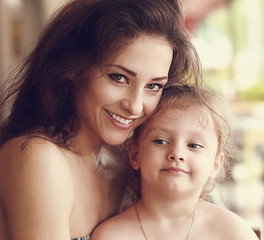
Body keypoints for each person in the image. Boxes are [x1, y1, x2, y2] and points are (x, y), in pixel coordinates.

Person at [0, 0, 202, 240]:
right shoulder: (38, 157)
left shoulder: (122, 161)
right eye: (119, 77)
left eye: (154, 86)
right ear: (73, 68)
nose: (135, 105)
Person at [91, 85, 259, 240]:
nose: (177, 154)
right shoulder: (111, 235)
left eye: (194, 145)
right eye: (161, 142)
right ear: (135, 155)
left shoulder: (233, 232)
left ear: (216, 164)